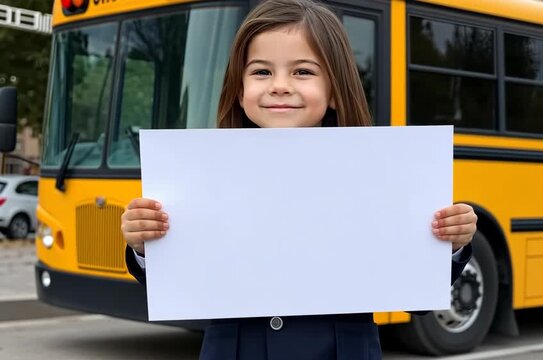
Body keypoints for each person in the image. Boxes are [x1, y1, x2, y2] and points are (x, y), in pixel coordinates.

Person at [121, 0, 477, 359]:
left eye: (302, 72)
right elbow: (182, 284)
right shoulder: (200, 179)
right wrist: (145, 246)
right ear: (239, 90)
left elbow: (412, 297)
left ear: (335, 88)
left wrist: (450, 244)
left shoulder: (380, 178)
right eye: (261, 72)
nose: (279, 86)